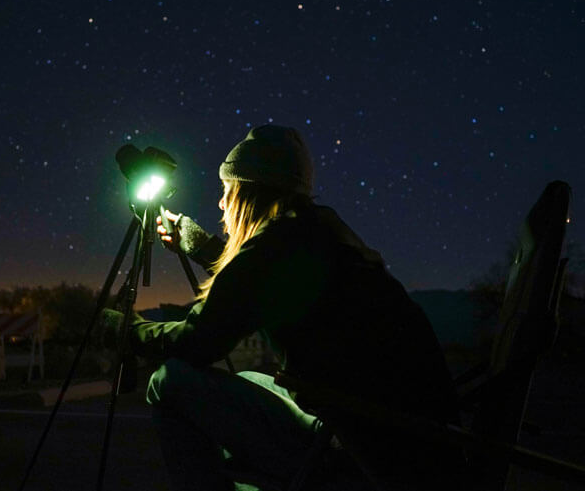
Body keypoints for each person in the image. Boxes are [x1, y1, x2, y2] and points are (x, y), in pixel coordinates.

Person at [99, 125, 465, 490]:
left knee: (170, 382)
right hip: (398, 435)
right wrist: (198, 244)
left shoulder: (276, 245)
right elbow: (263, 284)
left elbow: (198, 340)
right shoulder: (317, 230)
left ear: (248, 192)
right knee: (245, 381)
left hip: (356, 448)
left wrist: (127, 331)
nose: (221, 204)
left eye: (227, 191)